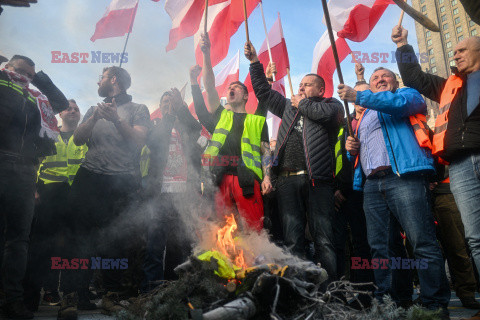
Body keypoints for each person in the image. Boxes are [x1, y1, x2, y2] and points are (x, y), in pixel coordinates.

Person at [338, 67, 450, 318]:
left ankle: (434, 304)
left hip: (405, 178)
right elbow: (361, 152)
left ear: (394, 80)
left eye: (383, 76)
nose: (379, 80)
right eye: (374, 78)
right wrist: (351, 149)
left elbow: (398, 105)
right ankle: (391, 301)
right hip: (373, 186)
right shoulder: (364, 115)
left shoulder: (407, 94)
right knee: (382, 248)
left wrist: (359, 96)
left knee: (421, 241)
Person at [245, 41, 343, 284]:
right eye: (299, 85)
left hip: (317, 181)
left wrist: (303, 103)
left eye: (306, 85)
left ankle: (330, 290)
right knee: (293, 239)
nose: (300, 88)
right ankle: (297, 288)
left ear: (320, 90)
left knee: (324, 239)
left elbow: (328, 116)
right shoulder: (289, 107)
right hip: (287, 180)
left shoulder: (331, 105)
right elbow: (264, 93)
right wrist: (255, 63)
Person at [59, 66, 150, 318]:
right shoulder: (93, 109)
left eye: (101, 77)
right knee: (79, 238)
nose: (97, 81)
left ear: (113, 80)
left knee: (116, 240)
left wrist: (116, 119)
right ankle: (72, 296)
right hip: (89, 179)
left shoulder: (138, 109)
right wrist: (94, 118)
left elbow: (138, 140)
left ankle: (111, 295)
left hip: (121, 182)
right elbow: (77, 140)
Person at [392, 26, 480, 284]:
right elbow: (414, 78)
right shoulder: (448, 86)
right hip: (461, 167)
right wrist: (402, 45)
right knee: (475, 237)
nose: (455, 55)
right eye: (453, 52)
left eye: (462, 50)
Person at [0, 55, 68, 319]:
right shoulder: (3, 85)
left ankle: (12, 299)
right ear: (7, 69)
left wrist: (37, 78)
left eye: (30, 75)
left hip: (24, 172)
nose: (24, 78)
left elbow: (60, 103)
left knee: (18, 240)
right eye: (20, 72)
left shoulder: (35, 98)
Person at [192, 34, 272, 232]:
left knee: (254, 230)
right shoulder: (220, 116)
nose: (230, 88)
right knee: (220, 231)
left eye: (236, 87)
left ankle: (255, 260)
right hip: (219, 178)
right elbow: (210, 87)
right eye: (229, 87)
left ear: (245, 96)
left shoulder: (257, 119)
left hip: (247, 180)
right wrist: (206, 54)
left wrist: (267, 177)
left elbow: (266, 151)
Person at [23, 99, 87, 311]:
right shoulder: (49, 135)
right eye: (69, 108)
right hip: (48, 196)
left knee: (73, 249)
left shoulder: (86, 140)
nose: (73, 111)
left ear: (80, 115)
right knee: (41, 247)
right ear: (60, 113)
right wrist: (33, 189)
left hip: (76, 198)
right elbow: (32, 161)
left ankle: (69, 299)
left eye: (76, 109)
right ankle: (30, 299)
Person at [141, 88, 203, 291]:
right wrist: (168, 115)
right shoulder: (154, 127)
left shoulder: (187, 130)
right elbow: (155, 142)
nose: (169, 105)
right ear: (160, 108)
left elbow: (196, 129)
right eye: (165, 102)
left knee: (179, 248)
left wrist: (181, 109)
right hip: (160, 195)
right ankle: (152, 291)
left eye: (172, 102)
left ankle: (173, 292)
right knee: (154, 247)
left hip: (183, 195)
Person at [431, 165, 480, 309]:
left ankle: (467, 292)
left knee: (457, 246)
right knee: (427, 249)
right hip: (422, 189)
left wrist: (434, 177)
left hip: (444, 191)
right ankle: (432, 294)